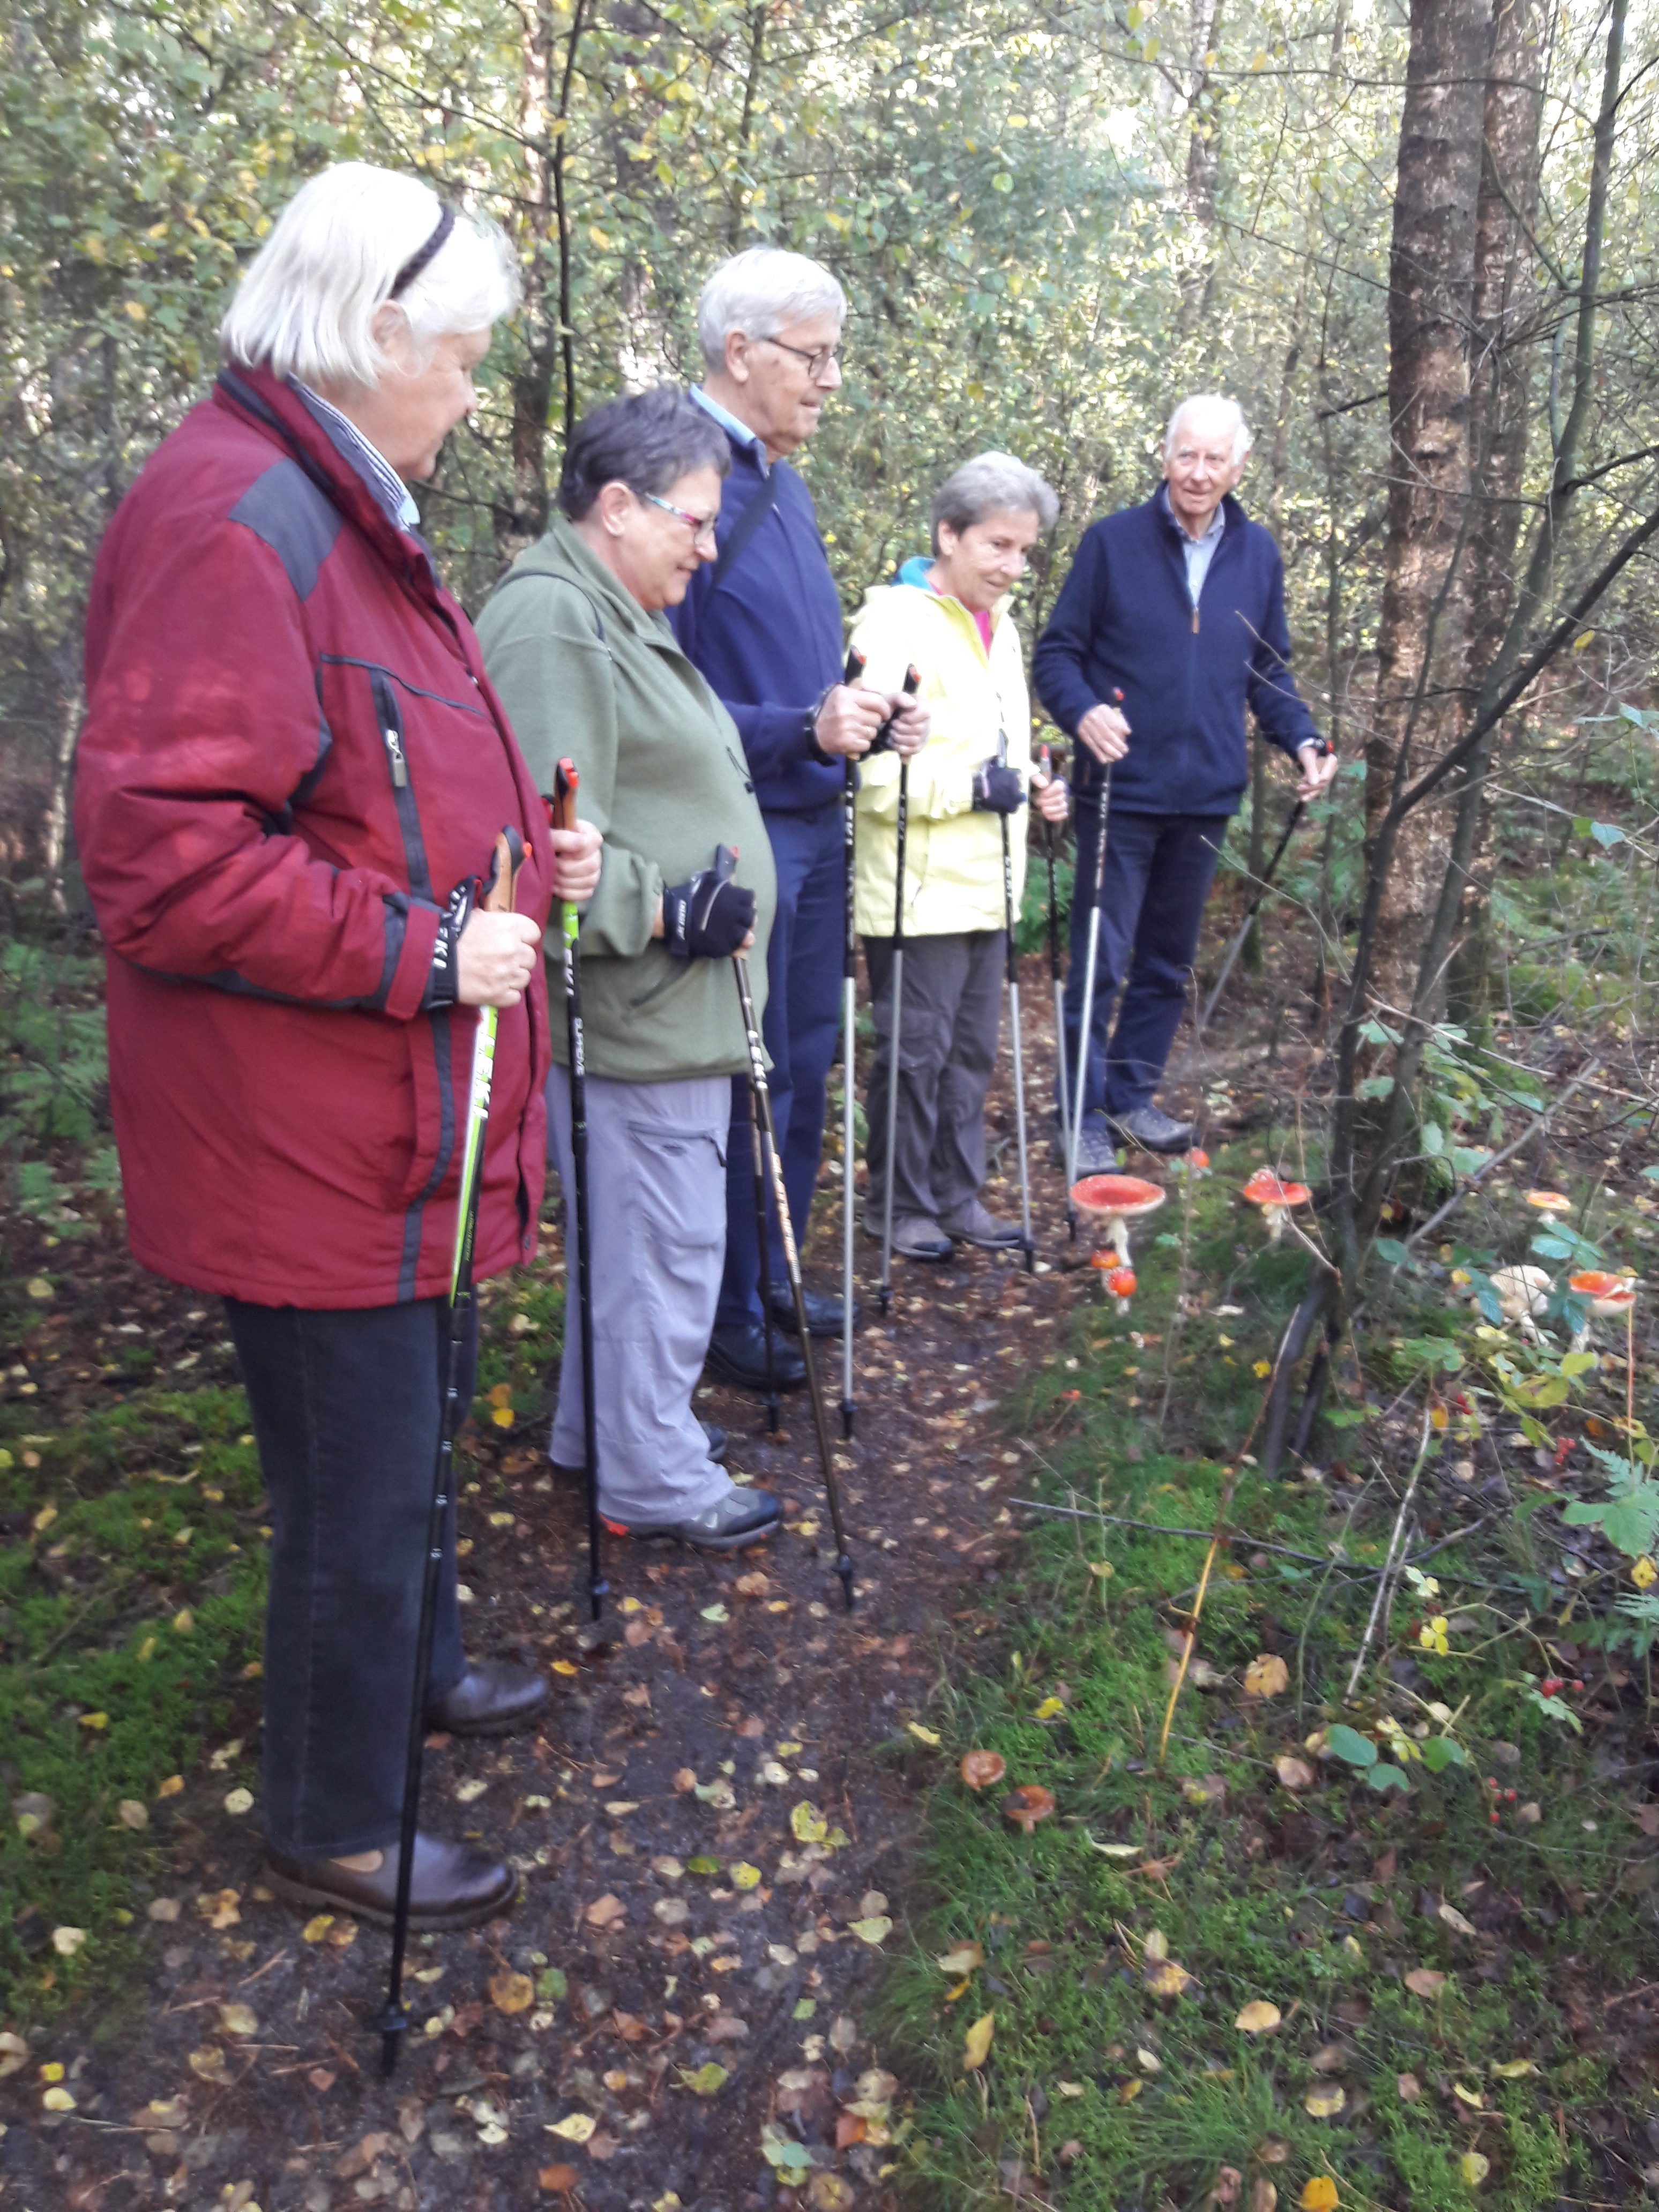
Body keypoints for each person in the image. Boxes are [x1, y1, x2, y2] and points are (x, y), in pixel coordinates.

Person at [73, 163, 604, 1932]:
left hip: (388, 1119)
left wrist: (531, 852)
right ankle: (330, 1802)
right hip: (299, 1134)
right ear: (372, 328)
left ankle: (418, 1674)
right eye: (457, 352)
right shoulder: (238, 516)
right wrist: (430, 948)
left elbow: (374, 777)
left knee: (419, 1436)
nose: (469, 387)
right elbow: (168, 865)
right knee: (355, 1480)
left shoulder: (335, 499)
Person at [477, 386, 783, 1552]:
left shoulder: (608, 608)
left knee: (645, 1240)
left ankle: (604, 1434)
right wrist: (665, 908)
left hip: (668, 1003)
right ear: (618, 505)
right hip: (636, 1012)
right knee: (665, 1243)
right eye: (694, 522)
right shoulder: (559, 621)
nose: (708, 547)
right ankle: (649, 1473)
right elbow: (526, 849)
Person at [668, 246, 928, 1393]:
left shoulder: (785, 479)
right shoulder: (677, 480)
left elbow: (786, 668)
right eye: (814, 358)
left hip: (816, 823)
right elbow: (658, 696)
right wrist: (797, 730)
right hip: (740, 832)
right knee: (746, 1073)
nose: (831, 381)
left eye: (835, 358)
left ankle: (774, 1275)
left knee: (809, 1061)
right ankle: (725, 1310)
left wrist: (860, 712)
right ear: (741, 352)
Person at [1032, 394, 1337, 1165]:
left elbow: (1267, 671)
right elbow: (1057, 656)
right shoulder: (1112, 544)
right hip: (1119, 792)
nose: (1198, 473)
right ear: (1164, 458)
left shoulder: (1258, 554)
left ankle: (1131, 1099)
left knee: (1167, 965)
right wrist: (1085, 714)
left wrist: (1301, 738)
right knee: (1101, 960)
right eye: (1186, 455)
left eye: (1214, 459)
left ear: (1239, 466)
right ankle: (1080, 1118)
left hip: (1206, 794)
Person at [849, 454, 1070, 1259]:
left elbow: (999, 752)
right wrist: (975, 789)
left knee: (971, 1054)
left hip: (990, 887)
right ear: (949, 534)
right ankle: (898, 1206)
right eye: (998, 546)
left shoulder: (1000, 627)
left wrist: (1037, 787)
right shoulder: (893, 626)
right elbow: (866, 773)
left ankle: (957, 1196)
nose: (1012, 567)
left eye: (1024, 551)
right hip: (916, 888)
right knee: (914, 1056)